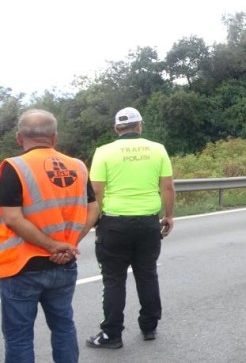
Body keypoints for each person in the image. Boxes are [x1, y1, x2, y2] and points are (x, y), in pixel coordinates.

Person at [0, 109, 99, 363]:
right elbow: (93, 208)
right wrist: (69, 245)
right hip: (64, 264)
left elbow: (12, 218)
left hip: (21, 267)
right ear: (54, 138)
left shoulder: (14, 167)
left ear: (19, 138)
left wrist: (54, 245)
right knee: (64, 326)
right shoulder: (78, 166)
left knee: (20, 337)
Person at [86, 107, 175, 349]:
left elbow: (97, 191)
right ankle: (149, 326)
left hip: (114, 223)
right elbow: (167, 187)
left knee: (113, 280)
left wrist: (96, 219)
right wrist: (168, 215)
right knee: (147, 274)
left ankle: (111, 335)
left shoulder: (103, 152)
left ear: (117, 129)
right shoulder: (158, 150)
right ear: (140, 126)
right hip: (148, 222)